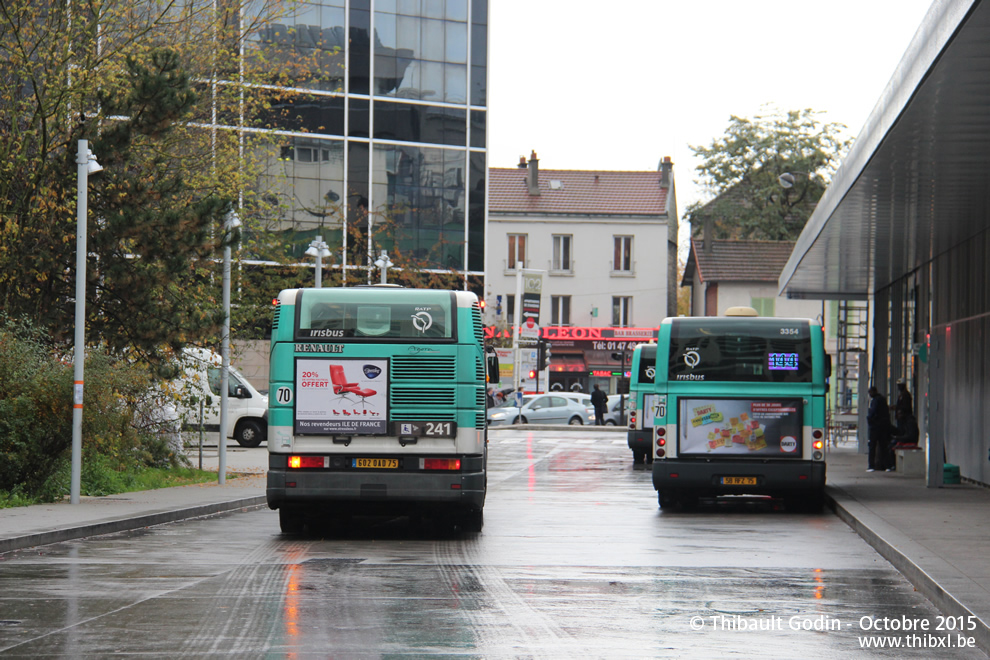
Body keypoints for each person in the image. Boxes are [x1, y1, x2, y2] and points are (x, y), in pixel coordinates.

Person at [866, 386, 892, 472]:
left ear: (873, 392)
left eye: (870, 392)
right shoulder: (883, 399)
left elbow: (872, 413)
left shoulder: (875, 401)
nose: (869, 394)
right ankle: (888, 466)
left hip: (875, 427)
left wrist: (869, 419)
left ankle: (871, 466)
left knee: (872, 446)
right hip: (883, 427)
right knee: (883, 446)